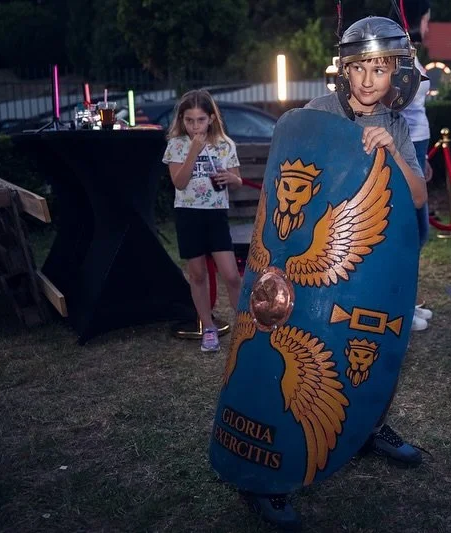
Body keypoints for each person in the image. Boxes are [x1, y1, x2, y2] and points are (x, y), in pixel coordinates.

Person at [238, 15, 428, 530]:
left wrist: (392, 156)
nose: (370, 80)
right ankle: (264, 473)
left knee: (372, 347)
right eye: (360, 67)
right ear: (344, 71)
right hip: (299, 268)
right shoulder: (315, 113)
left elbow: (417, 198)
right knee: (279, 358)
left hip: (363, 266)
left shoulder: (396, 125)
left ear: (397, 75)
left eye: (380, 68)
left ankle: (369, 425)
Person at [162, 89, 243, 353]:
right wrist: (193, 152)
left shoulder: (224, 144)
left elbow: (237, 180)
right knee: (197, 274)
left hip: (215, 213)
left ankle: (245, 325)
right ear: (182, 120)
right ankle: (208, 327)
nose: (195, 126)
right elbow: (180, 182)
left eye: (200, 120)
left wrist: (232, 180)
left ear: (211, 118)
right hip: (188, 212)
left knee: (231, 275)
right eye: (189, 120)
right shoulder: (176, 145)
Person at [393, 0, 435, 332]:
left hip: (418, 149)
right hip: (406, 150)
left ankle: (406, 301)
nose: (430, 26)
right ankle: (399, 307)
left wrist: (425, 158)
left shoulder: (412, 55)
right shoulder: (398, 58)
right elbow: (398, 109)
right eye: (428, 19)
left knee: (417, 232)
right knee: (411, 232)